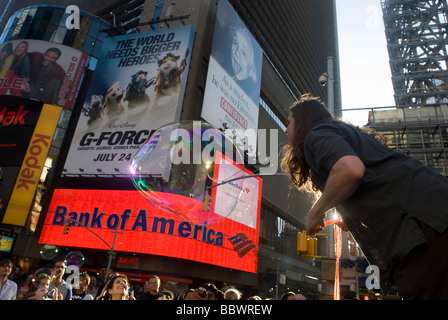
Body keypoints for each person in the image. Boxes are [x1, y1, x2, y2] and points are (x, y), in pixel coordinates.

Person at [281, 94, 448, 300]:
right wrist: (353, 217)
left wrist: (315, 213)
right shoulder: (344, 132)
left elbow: (349, 169)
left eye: (289, 122)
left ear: (304, 121)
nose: (286, 129)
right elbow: (372, 181)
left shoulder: (316, 134)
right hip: (432, 213)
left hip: (423, 227)